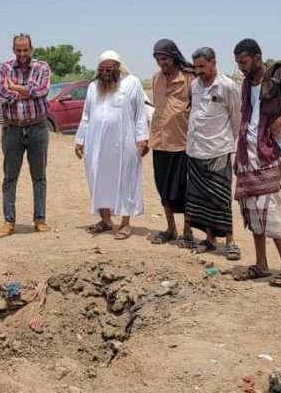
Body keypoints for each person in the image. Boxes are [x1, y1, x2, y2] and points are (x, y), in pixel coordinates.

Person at [231, 39, 281, 287]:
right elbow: (246, 119)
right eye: (238, 64)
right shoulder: (247, 84)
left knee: (268, 209)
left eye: (244, 62)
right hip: (248, 155)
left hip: (268, 153)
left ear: (258, 57)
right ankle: (261, 264)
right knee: (251, 209)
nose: (242, 68)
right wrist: (239, 154)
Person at [74, 51, 149, 240]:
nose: (105, 73)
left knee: (125, 180)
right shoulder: (93, 87)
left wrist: (143, 138)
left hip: (124, 143)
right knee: (98, 178)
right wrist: (80, 139)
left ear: (118, 67)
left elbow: (140, 113)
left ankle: (125, 224)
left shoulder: (132, 82)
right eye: (102, 69)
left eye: (109, 69)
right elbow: (86, 115)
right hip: (96, 143)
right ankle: (106, 220)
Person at [185, 47, 242, 259]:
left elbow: (236, 120)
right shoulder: (194, 85)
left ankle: (231, 242)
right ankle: (209, 239)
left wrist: (227, 142)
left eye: (202, 66)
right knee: (201, 199)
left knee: (221, 199)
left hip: (218, 151)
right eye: (196, 67)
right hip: (195, 150)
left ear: (213, 62)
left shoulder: (228, 86)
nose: (198, 71)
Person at [0, 34, 51, 237]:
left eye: (25, 49)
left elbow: (42, 91)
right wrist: (25, 91)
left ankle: (40, 220)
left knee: (39, 177)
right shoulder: (3, 68)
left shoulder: (42, 67)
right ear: (13, 50)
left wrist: (15, 87)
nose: (22, 54)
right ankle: (9, 221)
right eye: (18, 50)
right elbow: (2, 94)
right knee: (10, 177)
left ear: (31, 49)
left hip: (38, 128)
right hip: (12, 129)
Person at [148, 38, 195, 246]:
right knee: (163, 188)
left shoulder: (189, 79)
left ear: (174, 57)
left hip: (182, 142)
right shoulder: (156, 79)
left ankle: (187, 231)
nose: (161, 62)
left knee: (183, 190)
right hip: (159, 142)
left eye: (165, 58)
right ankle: (170, 228)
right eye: (158, 58)